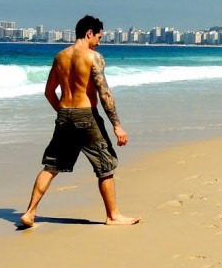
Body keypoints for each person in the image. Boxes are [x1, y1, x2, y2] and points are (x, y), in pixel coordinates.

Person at [19, 15, 138, 229]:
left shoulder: (60, 57)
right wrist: (117, 126)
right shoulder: (94, 57)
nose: (100, 42)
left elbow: (48, 92)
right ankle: (113, 216)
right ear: (89, 33)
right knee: (106, 165)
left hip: (64, 114)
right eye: (99, 36)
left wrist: (65, 113)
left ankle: (30, 212)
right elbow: (104, 94)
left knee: (51, 166)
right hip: (87, 115)